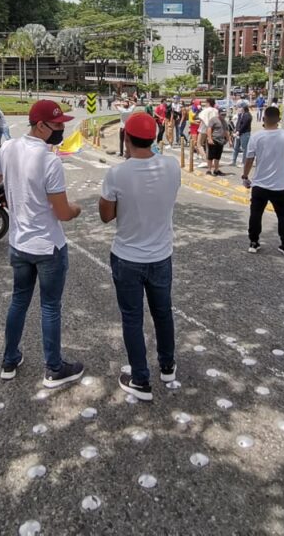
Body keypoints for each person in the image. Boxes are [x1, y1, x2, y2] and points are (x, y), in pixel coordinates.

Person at [0, 99, 85, 388]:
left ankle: (9, 359)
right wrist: (77, 209)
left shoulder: (8, 148)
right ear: (41, 126)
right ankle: (54, 368)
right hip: (48, 248)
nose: (61, 130)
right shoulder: (50, 161)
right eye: (57, 125)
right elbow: (63, 213)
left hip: (19, 244)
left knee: (19, 300)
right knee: (50, 307)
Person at [99, 112, 181, 401]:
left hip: (127, 257)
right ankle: (168, 367)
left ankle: (140, 379)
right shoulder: (172, 166)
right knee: (163, 313)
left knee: (132, 318)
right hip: (161, 256)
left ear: (127, 138)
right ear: (155, 138)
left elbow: (106, 216)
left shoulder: (117, 174)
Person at [242, 106, 284, 257]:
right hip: (281, 184)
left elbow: (249, 159)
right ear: (279, 119)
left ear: (264, 119)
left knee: (256, 213)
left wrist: (245, 176)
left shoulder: (257, 137)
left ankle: (254, 242)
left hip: (260, 183)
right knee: (283, 215)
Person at [205, 105, 227, 176]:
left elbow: (226, 131)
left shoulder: (224, 121)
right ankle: (209, 170)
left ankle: (216, 170)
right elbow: (209, 129)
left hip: (221, 141)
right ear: (219, 113)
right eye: (222, 114)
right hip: (214, 139)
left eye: (224, 114)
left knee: (218, 156)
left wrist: (229, 140)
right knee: (211, 156)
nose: (223, 116)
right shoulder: (213, 120)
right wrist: (209, 138)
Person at [230, 100, 252, 166]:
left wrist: (239, 131)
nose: (239, 108)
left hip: (245, 133)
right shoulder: (240, 114)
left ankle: (244, 162)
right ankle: (233, 161)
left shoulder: (248, 115)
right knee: (236, 147)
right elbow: (238, 123)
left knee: (244, 148)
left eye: (240, 107)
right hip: (238, 133)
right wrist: (236, 130)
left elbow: (244, 125)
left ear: (244, 108)